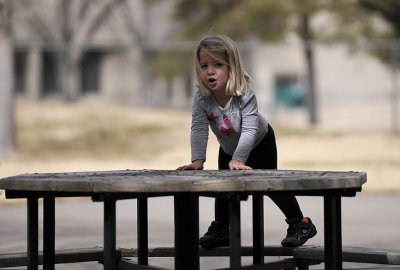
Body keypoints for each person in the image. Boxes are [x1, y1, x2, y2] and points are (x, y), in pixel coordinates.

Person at [177, 35, 316, 248]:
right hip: (229, 148)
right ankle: (221, 228)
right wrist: (197, 160)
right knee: (222, 188)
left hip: (260, 142)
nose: (210, 71)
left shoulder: (243, 94)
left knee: (271, 183)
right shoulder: (202, 97)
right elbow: (198, 127)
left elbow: (250, 128)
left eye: (217, 64)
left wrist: (239, 158)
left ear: (231, 67)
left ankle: (300, 223)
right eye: (204, 65)